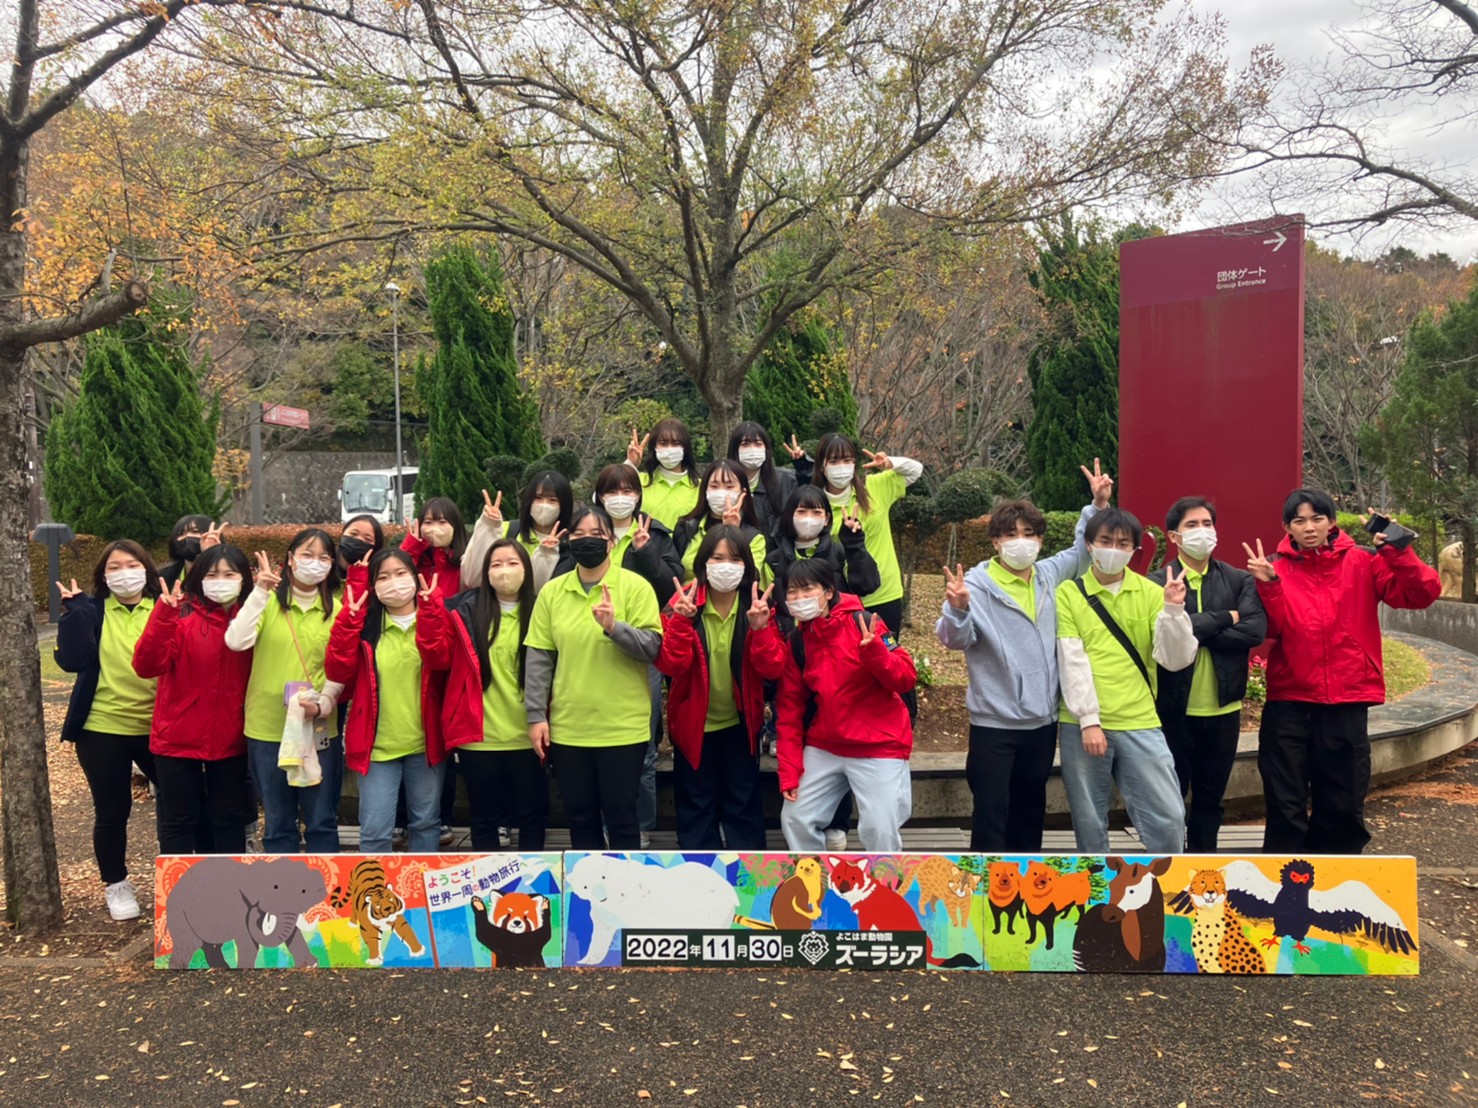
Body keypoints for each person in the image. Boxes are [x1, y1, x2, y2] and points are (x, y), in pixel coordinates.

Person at [1245, 488, 1441, 854]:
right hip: (1289, 700)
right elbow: (1272, 631)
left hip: (1347, 698)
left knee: (1343, 799)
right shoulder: (1274, 567)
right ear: (1286, 527)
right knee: (1284, 800)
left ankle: (1338, 877)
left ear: (1332, 522)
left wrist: (1398, 550)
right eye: (1299, 520)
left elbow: (1422, 593)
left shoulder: (1365, 561)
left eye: (1317, 518)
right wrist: (1269, 586)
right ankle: (1285, 878)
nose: (1309, 527)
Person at [934, 460, 1115, 851]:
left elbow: (1080, 554)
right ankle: (985, 882)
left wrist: (1098, 505)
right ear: (995, 542)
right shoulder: (976, 585)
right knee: (991, 814)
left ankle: (1026, 882)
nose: (1021, 542)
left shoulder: (1047, 575)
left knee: (1030, 812)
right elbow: (953, 639)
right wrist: (959, 609)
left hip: (1041, 724)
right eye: (1011, 535)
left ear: (1040, 541)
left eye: (1029, 534)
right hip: (994, 726)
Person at [1055, 509, 1198, 855]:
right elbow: (1071, 659)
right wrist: (1089, 720)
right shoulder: (1069, 594)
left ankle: (1163, 881)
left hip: (1140, 719)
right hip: (1082, 724)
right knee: (1090, 822)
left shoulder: (1150, 592)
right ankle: (1098, 882)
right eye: (1105, 541)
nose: (1113, 550)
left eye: (1123, 544)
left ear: (1135, 550)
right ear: (1089, 545)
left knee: (1169, 818)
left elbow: (1175, 658)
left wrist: (1174, 610)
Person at [754, 559, 918, 853]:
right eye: (792, 591)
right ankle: (812, 875)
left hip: (879, 744)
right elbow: (789, 710)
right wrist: (789, 771)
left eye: (807, 589)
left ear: (829, 591)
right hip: (827, 744)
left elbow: (905, 677)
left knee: (880, 828)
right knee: (796, 818)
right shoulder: (798, 642)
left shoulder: (864, 623)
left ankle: (884, 879)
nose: (799, 598)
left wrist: (876, 654)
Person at [524, 505, 662, 850]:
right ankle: (588, 882)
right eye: (579, 535)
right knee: (579, 816)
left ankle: (625, 883)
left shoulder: (636, 587)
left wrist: (615, 628)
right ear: (568, 540)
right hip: (570, 728)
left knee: (622, 816)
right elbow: (539, 658)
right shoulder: (552, 592)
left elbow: (652, 647)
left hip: (622, 727)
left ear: (612, 542)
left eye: (597, 535)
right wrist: (536, 715)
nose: (588, 542)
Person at [1148, 497, 1267, 852]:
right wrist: (1226, 618)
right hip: (1174, 712)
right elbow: (1158, 637)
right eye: (1192, 525)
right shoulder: (1155, 584)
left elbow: (1254, 631)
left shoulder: (1239, 580)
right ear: (1173, 536)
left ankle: (1203, 865)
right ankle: (1169, 868)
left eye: (1207, 524)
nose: (1202, 531)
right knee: (1170, 803)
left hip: (1223, 712)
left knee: (1210, 802)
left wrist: (1190, 628)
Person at [54, 541, 163, 921]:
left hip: (158, 726)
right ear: (103, 576)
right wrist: (75, 615)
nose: (124, 573)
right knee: (112, 809)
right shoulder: (92, 610)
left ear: (147, 569)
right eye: (114, 567)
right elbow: (71, 661)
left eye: (132, 564)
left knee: (182, 803)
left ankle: (181, 873)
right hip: (102, 726)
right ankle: (116, 884)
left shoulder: (163, 607)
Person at [419, 539, 548, 850]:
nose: (504, 571)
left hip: (530, 735)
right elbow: (438, 658)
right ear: (485, 572)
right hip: (479, 736)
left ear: (527, 570)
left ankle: (532, 879)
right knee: (484, 819)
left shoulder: (543, 610)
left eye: (513, 563)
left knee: (531, 817)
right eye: (496, 564)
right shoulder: (464, 611)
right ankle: (489, 880)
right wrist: (431, 613)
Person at [226, 529, 347, 853]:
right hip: (267, 728)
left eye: (323, 557)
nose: (314, 563)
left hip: (318, 727)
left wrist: (325, 702)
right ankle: (284, 885)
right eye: (307, 555)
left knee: (321, 819)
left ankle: (324, 884)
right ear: (290, 559)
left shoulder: (337, 610)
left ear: (331, 565)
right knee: (279, 822)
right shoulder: (266, 603)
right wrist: (259, 592)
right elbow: (236, 641)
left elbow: (341, 667)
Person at [655, 526, 776, 850]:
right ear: (703, 562)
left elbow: (773, 670)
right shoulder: (683, 602)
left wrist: (761, 630)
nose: (726, 566)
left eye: (735, 559)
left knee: (743, 803)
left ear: (747, 565)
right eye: (717, 558)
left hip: (741, 722)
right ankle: (699, 870)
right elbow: (670, 665)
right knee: (696, 804)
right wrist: (681, 622)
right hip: (694, 724)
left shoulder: (757, 605)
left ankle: (747, 873)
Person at [132, 544, 254, 856]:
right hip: (177, 737)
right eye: (212, 574)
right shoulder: (180, 616)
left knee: (228, 819)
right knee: (179, 819)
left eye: (229, 574)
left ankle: (227, 883)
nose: (220, 581)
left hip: (231, 737)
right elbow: (146, 666)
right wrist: (164, 615)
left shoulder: (253, 620)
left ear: (244, 578)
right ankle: (179, 885)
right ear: (198, 578)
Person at [325, 549, 446, 853]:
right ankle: (373, 885)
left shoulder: (433, 619)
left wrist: (431, 612)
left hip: (425, 745)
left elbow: (441, 660)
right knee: (375, 831)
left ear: (415, 577)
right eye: (383, 576)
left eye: (401, 573)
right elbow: (338, 670)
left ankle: (421, 883)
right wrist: (349, 619)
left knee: (425, 824)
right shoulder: (366, 627)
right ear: (374, 586)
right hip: (377, 748)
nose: (394, 582)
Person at [810, 432, 923, 636]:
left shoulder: (874, 487)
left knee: (886, 654)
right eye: (834, 461)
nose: (841, 467)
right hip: (840, 599)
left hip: (885, 594)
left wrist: (889, 463)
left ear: (855, 463)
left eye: (847, 460)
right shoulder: (814, 504)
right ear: (821, 466)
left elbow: (915, 470)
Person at [765, 485, 880, 622]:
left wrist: (854, 542)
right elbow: (767, 605)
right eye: (801, 512)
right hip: (790, 634)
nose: (808, 518)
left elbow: (867, 585)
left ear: (826, 519)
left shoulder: (839, 554)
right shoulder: (774, 560)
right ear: (790, 516)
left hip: (835, 630)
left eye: (816, 512)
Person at [673, 459, 771, 583]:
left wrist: (731, 533)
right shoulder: (687, 528)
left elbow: (750, 579)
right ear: (705, 490)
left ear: (743, 492)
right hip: (689, 594)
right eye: (714, 486)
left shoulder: (754, 538)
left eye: (729, 487)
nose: (721, 492)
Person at [625, 418, 701, 529]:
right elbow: (606, 496)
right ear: (654, 447)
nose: (669, 449)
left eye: (676, 443)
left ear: (685, 447)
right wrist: (630, 464)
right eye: (663, 443)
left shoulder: (700, 487)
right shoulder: (638, 481)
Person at [727, 421, 800, 534]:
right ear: (735, 450)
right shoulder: (724, 484)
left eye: (758, 444)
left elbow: (814, 489)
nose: (752, 449)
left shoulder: (786, 480)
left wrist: (802, 464)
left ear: (766, 449)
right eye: (745, 444)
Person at [400, 495, 466, 605]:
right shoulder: (417, 561)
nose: (434, 528)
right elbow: (397, 573)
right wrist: (411, 547)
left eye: (442, 522)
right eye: (428, 522)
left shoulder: (464, 564)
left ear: (455, 526)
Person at [159, 514, 225, 587]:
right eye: (181, 533)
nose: (188, 536)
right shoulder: (165, 576)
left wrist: (211, 554)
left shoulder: (227, 571)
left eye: (195, 531)